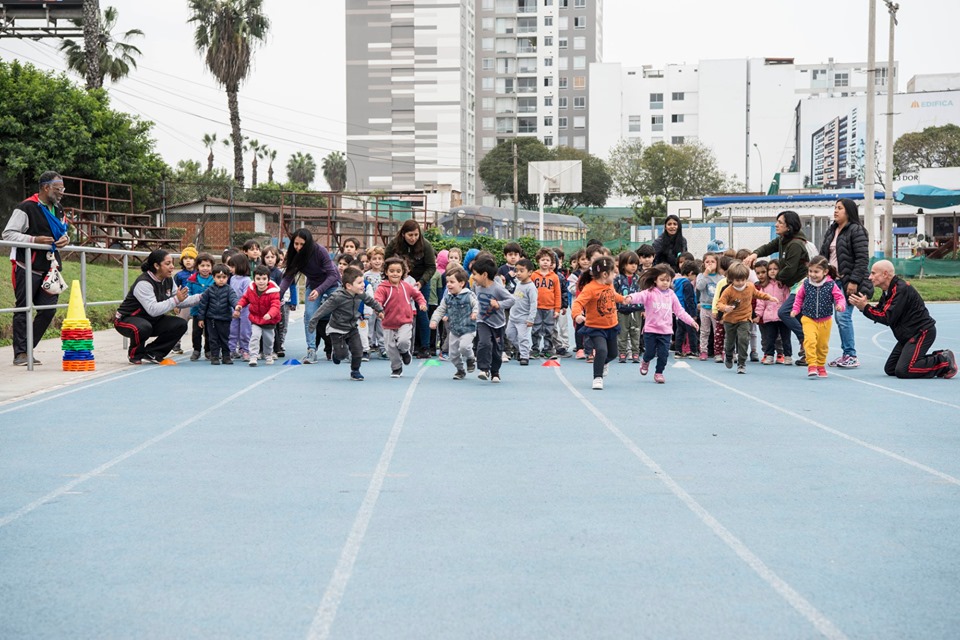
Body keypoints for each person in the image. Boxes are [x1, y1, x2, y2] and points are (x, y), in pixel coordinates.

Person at [3, 171, 70, 366]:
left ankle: (27, 347)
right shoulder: (26, 207)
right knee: (24, 308)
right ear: (46, 187)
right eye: (58, 189)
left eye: (63, 189)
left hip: (50, 268)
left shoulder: (59, 209)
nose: (62, 193)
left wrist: (66, 239)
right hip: (27, 266)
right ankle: (21, 354)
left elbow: (63, 231)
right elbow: (8, 234)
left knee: (48, 309)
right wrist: (34, 240)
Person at [849, 260, 957, 379]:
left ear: (885, 274)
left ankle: (944, 361)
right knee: (891, 368)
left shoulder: (900, 289)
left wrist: (865, 307)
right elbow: (881, 310)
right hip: (907, 335)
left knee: (905, 370)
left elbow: (887, 317)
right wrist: (863, 306)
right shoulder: (888, 290)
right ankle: (935, 358)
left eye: (873, 273)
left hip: (921, 332)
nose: (870, 277)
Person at [743, 210, 812, 365]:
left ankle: (805, 340)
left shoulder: (795, 244)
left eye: (780, 222)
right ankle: (807, 352)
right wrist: (755, 254)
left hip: (800, 284)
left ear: (789, 226)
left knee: (784, 312)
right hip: (792, 285)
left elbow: (790, 269)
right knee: (800, 318)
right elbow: (768, 247)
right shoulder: (783, 240)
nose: (776, 225)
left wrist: (777, 278)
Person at [113, 249, 201, 364]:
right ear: (156, 265)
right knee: (143, 327)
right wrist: (176, 299)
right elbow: (153, 310)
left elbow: (180, 301)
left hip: (151, 320)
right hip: (126, 320)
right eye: (168, 263)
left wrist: (202, 297)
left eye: (172, 263)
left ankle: (153, 352)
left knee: (180, 324)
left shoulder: (168, 280)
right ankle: (135, 354)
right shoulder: (144, 283)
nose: (172, 267)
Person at [819, 198, 872, 368]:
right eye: (835, 207)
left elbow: (862, 259)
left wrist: (854, 281)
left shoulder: (857, 230)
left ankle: (851, 355)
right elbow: (823, 255)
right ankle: (843, 354)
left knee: (843, 316)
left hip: (847, 281)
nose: (835, 211)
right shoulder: (832, 230)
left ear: (848, 211)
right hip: (831, 281)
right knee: (829, 316)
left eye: (839, 208)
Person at [624, 264, 699, 384]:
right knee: (650, 353)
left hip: (665, 331)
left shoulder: (671, 295)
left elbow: (679, 311)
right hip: (651, 330)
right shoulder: (649, 293)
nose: (665, 283)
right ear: (655, 280)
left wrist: (691, 321)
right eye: (662, 280)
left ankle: (659, 373)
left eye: (667, 280)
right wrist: (629, 298)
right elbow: (639, 296)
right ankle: (645, 361)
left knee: (663, 355)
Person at [309, 265, 384, 381]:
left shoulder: (360, 293)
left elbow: (370, 301)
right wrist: (313, 321)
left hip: (352, 327)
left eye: (363, 282)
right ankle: (336, 354)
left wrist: (379, 310)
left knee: (358, 350)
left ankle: (355, 371)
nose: (363, 285)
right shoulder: (337, 297)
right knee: (342, 355)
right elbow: (323, 309)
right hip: (336, 329)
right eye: (359, 283)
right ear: (349, 286)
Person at [278, 228, 341, 364]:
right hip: (313, 284)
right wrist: (277, 296)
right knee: (309, 316)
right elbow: (287, 278)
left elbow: (332, 275)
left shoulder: (320, 251)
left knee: (340, 312)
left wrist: (319, 290)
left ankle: (343, 346)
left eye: (302, 244)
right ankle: (311, 350)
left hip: (331, 283)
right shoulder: (294, 254)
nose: (299, 247)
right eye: (296, 244)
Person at [572, 255, 628, 391]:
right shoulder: (590, 288)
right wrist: (577, 315)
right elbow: (578, 302)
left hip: (611, 325)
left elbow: (613, 295)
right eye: (613, 273)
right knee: (601, 350)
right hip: (595, 327)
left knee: (613, 354)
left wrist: (623, 299)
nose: (615, 275)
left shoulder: (609, 284)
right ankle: (597, 377)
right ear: (605, 274)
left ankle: (603, 363)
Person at [384, 220, 436, 357]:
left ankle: (425, 346)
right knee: (400, 311)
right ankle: (399, 344)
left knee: (422, 312)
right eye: (410, 235)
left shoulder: (425, 245)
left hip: (420, 282)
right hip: (399, 281)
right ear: (403, 234)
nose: (413, 238)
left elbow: (431, 267)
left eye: (416, 235)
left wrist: (421, 282)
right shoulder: (394, 245)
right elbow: (387, 263)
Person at [715, 262, 778, 374]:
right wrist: (725, 308)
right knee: (730, 341)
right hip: (730, 320)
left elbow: (758, 294)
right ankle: (729, 355)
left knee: (743, 340)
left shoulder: (750, 286)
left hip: (744, 318)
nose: (740, 283)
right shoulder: (728, 291)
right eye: (737, 280)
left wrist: (769, 297)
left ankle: (741, 363)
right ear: (731, 279)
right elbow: (719, 304)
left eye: (743, 280)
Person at [790, 256, 846, 378]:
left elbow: (840, 297)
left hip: (825, 320)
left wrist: (840, 306)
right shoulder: (806, 284)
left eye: (816, 272)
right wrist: (795, 309)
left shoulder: (831, 284)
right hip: (808, 318)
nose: (812, 274)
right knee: (810, 341)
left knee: (822, 345)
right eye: (810, 271)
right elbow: (799, 297)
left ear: (825, 272)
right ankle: (812, 365)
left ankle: (820, 365)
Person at [374, 256, 427, 378]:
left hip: (405, 321)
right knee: (390, 348)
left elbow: (417, 295)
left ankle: (404, 352)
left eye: (398, 271)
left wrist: (422, 303)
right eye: (392, 271)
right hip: (388, 323)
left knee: (403, 341)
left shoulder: (406, 286)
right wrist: (379, 310)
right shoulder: (382, 288)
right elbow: (377, 300)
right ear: (386, 272)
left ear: (403, 272)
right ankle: (396, 368)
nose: (395, 274)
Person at [470, 256, 515, 383]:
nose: (473, 277)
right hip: (482, 321)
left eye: (475, 274)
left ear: (484, 275)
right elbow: (472, 298)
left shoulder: (497, 288)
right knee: (484, 343)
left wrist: (499, 304)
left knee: (496, 349)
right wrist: (472, 311)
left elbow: (512, 300)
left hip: (498, 323)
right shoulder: (476, 286)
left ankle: (495, 372)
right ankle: (484, 369)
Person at [430, 268, 479, 380]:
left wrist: (475, 312)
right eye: (447, 282)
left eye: (452, 282)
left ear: (461, 283)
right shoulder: (447, 297)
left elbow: (476, 304)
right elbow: (440, 309)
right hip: (454, 330)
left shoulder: (468, 295)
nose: (448, 284)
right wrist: (434, 320)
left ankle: (471, 358)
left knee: (464, 347)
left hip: (468, 328)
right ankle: (460, 369)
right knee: (452, 354)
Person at [234, 265, 281, 366]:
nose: (261, 281)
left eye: (264, 279)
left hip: (269, 321)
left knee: (268, 340)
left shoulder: (273, 292)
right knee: (254, 337)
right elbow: (245, 298)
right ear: (254, 279)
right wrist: (240, 305)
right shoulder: (251, 289)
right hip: (256, 319)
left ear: (268, 279)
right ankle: (253, 356)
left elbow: (275, 305)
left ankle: (268, 354)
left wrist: (270, 314)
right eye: (258, 279)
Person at [197, 264, 238, 365]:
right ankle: (214, 356)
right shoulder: (209, 290)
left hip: (225, 319)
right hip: (212, 319)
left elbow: (233, 299)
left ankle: (226, 356)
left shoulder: (229, 290)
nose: (221, 280)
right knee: (213, 339)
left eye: (224, 277)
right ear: (213, 277)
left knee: (225, 339)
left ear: (227, 277)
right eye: (218, 277)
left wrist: (237, 307)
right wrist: (201, 318)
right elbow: (203, 304)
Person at [754, 259, 792, 365]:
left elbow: (788, 299)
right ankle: (769, 355)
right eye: (770, 269)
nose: (772, 271)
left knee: (785, 338)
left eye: (775, 269)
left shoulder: (784, 286)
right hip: (769, 317)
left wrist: (789, 312)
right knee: (770, 338)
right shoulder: (764, 287)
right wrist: (758, 315)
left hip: (783, 317)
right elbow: (761, 302)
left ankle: (787, 356)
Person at [504, 258, 538, 366]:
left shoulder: (531, 287)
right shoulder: (518, 283)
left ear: (530, 272)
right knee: (510, 335)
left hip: (523, 318)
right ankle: (523, 350)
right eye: (516, 270)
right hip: (513, 317)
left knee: (523, 337)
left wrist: (531, 318)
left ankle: (524, 356)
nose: (518, 273)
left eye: (521, 271)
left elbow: (533, 304)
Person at [531, 247, 562, 358]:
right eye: (543, 260)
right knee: (536, 329)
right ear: (538, 261)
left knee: (549, 330)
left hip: (550, 308)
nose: (545, 262)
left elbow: (557, 294)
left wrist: (557, 309)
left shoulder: (554, 277)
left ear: (551, 262)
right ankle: (535, 349)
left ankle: (548, 349)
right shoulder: (533, 275)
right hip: (537, 307)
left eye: (548, 260)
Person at [614, 251, 644, 363]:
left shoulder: (639, 279)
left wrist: (644, 309)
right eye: (630, 263)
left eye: (635, 264)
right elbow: (613, 294)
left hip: (636, 310)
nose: (633, 266)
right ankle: (622, 353)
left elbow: (643, 294)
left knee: (636, 332)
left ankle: (635, 353)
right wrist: (614, 308)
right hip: (622, 310)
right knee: (622, 333)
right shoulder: (618, 279)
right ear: (623, 264)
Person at [185, 252, 215, 360]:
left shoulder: (214, 280)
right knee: (196, 332)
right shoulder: (192, 280)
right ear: (197, 266)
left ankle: (208, 350)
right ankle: (196, 350)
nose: (205, 268)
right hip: (197, 311)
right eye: (202, 265)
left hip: (210, 311)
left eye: (208, 265)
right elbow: (188, 294)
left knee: (209, 332)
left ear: (212, 267)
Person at [172, 245, 198, 354]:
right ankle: (176, 344)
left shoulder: (200, 274)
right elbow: (174, 291)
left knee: (202, 325)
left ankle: (208, 345)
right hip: (184, 303)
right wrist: (175, 304)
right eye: (185, 258)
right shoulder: (179, 275)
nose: (188, 261)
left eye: (191, 258)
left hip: (198, 303)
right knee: (180, 323)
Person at [227, 253, 252, 361]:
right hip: (234, 309)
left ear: (240, 266)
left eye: (232, 266)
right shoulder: (232, 278)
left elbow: (246, 296)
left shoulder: (246, 280)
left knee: (245, 331)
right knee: (232, 330)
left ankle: (245, 350)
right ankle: (231, 349)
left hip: (245, 310)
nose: (230, 269)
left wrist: (239, 307)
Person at [696, 253, 722, 361]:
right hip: (704, 307)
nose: (710, 264)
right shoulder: (701, 276)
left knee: (717, 331)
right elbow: (699, 287)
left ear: (717, 263)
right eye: (707, 262)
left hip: (716, 309)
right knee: (704, 330)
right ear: (703, 264)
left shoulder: (720, 277)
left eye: (712, 262)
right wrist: (705, 274)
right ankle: (703, 351)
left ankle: (718, 351)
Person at [364, 246, 386, 359]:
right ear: (369, 260)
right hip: (370, 306)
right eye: (374, 259)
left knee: (382, 327)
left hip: (382, 306)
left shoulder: (385, 275)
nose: (377, 261)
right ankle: (367, 347)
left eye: (379, 258)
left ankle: (383, 348)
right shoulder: (366, 275)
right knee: (369, 327)